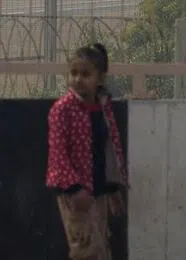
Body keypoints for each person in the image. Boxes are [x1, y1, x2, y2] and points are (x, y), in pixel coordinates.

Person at [46, 42, 128, 260]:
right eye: (73, 73)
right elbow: (58, 155)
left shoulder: (102, 107)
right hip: (76, 194)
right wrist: (74, 189)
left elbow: (108, 149)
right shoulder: (63, 109)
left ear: (100, 78)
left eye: (85, 74)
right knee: (85, 250)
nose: (77, 79)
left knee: (100, 248)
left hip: (98, 192)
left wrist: (112, 187)